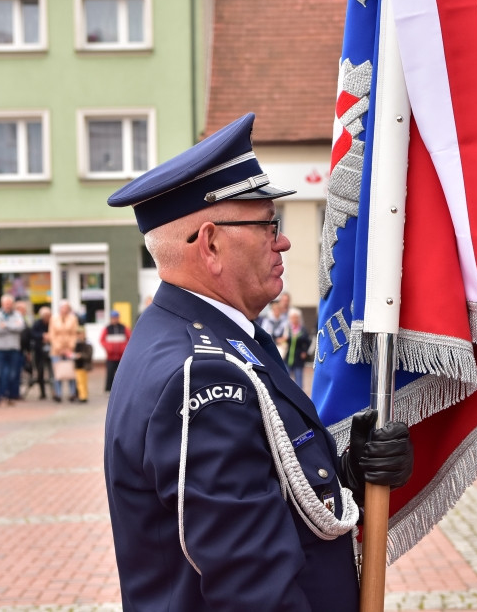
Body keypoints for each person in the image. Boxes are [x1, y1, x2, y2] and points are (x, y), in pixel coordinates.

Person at [104, 113, 413, 611]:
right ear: (210, 244)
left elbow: (262, 485)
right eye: (267, 223)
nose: (283, 239)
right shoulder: (202, 372)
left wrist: (348, 473)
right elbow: (252, 588)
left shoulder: (213, 337)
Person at [0, 294, 25, 407]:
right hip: (1, 349)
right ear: (2, 304)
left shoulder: (17, 314)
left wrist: (5, 325)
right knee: (0, 374)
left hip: (14, 348)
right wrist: (11, 326)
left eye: (10, 303)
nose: (8, 305)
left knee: (13, 374)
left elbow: (20, 328)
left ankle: (11, 396)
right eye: (6, 303)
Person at [48, 300, 79, 402]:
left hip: (69, 349)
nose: (64, 310)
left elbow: (74, 334)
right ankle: (58, 393)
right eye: (62, 308)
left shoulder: (73, 319)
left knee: (70, 371)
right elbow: (52, 335)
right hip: (56, 350)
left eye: (66, 308)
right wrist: (59, 348)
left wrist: (69, 348)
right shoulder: (53, 319)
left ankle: (72, 393)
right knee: (58, 372)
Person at [100, 310, 130, 394]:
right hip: (110, 357)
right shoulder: (107, 329)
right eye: (113, 318)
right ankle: (108, 390)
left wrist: (124, 348)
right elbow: (102, 340)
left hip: (121, 357)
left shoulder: (124, 328)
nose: (114, 319)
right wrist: (108, 348)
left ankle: (123, 390)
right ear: (110, 318)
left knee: (122, 374)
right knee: (110, 373)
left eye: (116, 317)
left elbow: (130, 339)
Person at [282, 307, 311, 389]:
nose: (294, 319)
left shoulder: (303, 329)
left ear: (298, 318)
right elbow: (281, 339)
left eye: (295, 317)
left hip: (298, 358)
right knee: (285, 378)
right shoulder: (287, 329)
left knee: (299, 380)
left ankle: (299, 397)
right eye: (292, 317)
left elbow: (308, 342)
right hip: (288, 357)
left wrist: (305, 352)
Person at [29, 306, 53, 399]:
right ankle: (42, 392)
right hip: (39, 351)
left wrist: (50, 336)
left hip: (51, 350)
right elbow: (33, 334)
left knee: (52, 372)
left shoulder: (53, 323)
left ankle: (54, 392)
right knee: (40, 372)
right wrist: (42, 336)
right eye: (46, 316)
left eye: (49, 316)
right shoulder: (37, 324)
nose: (47, 318)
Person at [73, 327, 93, 403]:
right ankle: (82, 396)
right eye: (78, 334)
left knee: (83, 382)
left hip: (84, 365)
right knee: (80, 382)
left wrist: (81, 355)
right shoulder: (76, 343)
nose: (79, 336)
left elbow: (89, 354)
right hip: (78, 365)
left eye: (80, 334)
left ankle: (83, 397)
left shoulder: (87, 343)